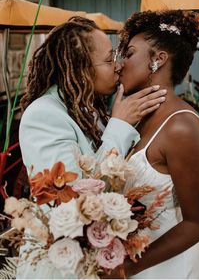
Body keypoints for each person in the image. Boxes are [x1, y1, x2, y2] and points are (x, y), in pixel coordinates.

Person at [17, 16, 166, 278]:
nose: (118, 66)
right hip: (61, 267)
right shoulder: (43, 115)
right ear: (79, 68)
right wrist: (119, 126)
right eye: (109, 60)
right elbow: (69, 201)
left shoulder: (88, 109)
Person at [111, 10, 199, 278]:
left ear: (158, 60)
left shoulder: (182, 127)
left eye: (130, 53)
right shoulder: (136, 120)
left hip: (170, 267)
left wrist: (127, 267)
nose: (119, 64)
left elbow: (198, 223)